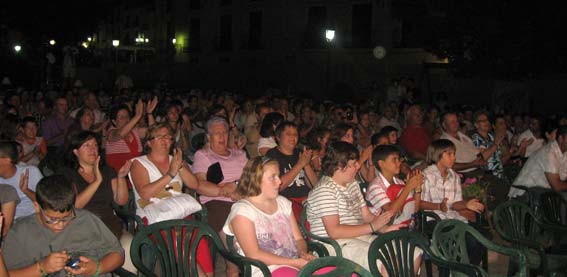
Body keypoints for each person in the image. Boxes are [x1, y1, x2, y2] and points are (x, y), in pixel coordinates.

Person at [129, 122, 217, 276]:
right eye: (160, 137)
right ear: (149, 142)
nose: (165, 140)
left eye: (169, 137)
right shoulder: (139, 163)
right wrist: (170, 173)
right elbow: (145, 193)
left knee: (198, 239)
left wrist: (180, 166)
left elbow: (194, 184)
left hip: (180, 214)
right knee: (180, 240)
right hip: (154, 218)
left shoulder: (176, 160)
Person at [306, 141, 403, 272]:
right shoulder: (325, 190)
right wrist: (373, 227)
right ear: (340, 166)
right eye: (354, 163)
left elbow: (367, 215)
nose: (358, 166)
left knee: (409, 251)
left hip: (359, 236)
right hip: (333, 244)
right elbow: (334, 232)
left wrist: (385, 228)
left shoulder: (352, 184)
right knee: (386, 260)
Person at [3, 175, 124, 277]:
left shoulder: (85, 219)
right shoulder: (20, 231)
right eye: (52, 219)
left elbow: (117, 254)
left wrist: (98, 268)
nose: (60, 225)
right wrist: (41, 268)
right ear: (36, 207)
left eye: (67, 217)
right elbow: (6, 274)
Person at [223, 157, 317, 276]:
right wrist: (294, 263)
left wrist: (302, 254)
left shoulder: (283, 203)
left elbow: (298, 239)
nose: (279, 181)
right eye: (273, 177)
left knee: (336, 271)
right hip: (266, 270)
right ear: (256, 180)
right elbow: (254, 254)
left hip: (293, 264)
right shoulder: (242, 211)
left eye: (278, 176)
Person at [420, 139, 486, 265]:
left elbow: (455, 204)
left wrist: (466, 204)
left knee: (480, 235)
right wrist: (438, 206)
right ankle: (459, 268)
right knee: (468, 239)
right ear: (437, 155)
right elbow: (420, 204)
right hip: (433, 220)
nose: (454, 158)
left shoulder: (454, 176)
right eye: (449, 154)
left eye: (454, 154)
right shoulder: (426, 175)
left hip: (452, 218)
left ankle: (466, 268)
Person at [58, 131, 129, 238]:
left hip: (108, 222)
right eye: (87, 145)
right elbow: (75, 206)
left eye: (95, 145)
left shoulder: (107, 171)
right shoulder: (67, 174)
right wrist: (97, 181)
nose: (93, 149)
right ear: (76, 151)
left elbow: (121, 201)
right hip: (81, 223)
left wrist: (121, 177)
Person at [265, 121, 318, 221]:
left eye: (295, 134)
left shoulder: (299, 153)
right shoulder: (272, 155)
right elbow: (277, 186)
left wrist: (306, 165)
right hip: (287, 201)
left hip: (307, 199)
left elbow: (315, 185)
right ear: (278, 137)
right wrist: (300, 164)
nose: (293, 137)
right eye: (288, 134)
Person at [366, 145, 423, 226]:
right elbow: (390, 212)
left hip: (402, 227)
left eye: (398, 159)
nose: (399, 162)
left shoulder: (399, 182)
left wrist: (417, 188)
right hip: (383, 231)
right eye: (394, 160)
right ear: (381, 164)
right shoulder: (375, 186)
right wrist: (407, 188)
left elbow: (414, 210)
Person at [509, 125, 567, 200]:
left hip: (542, 192)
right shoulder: (549, 152)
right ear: (560, 139)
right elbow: (557, 186)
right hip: (524, 193)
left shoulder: (564, 153)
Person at [105, 98, 157, 174]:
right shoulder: (111, 132)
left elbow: (154, 132)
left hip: (135, 176)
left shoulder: (134, 131)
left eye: (127, 116)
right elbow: (121, 134)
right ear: (114, 121)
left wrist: (149, 114)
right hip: (117, 178)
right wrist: (138, 115)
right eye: (121, 117)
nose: (125, 119)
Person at [0, 141, 43, 219]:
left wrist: (26, 191)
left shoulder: (31, 172)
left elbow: (46, 202)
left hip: (33, 217)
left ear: (6, 160)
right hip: (9, 221)